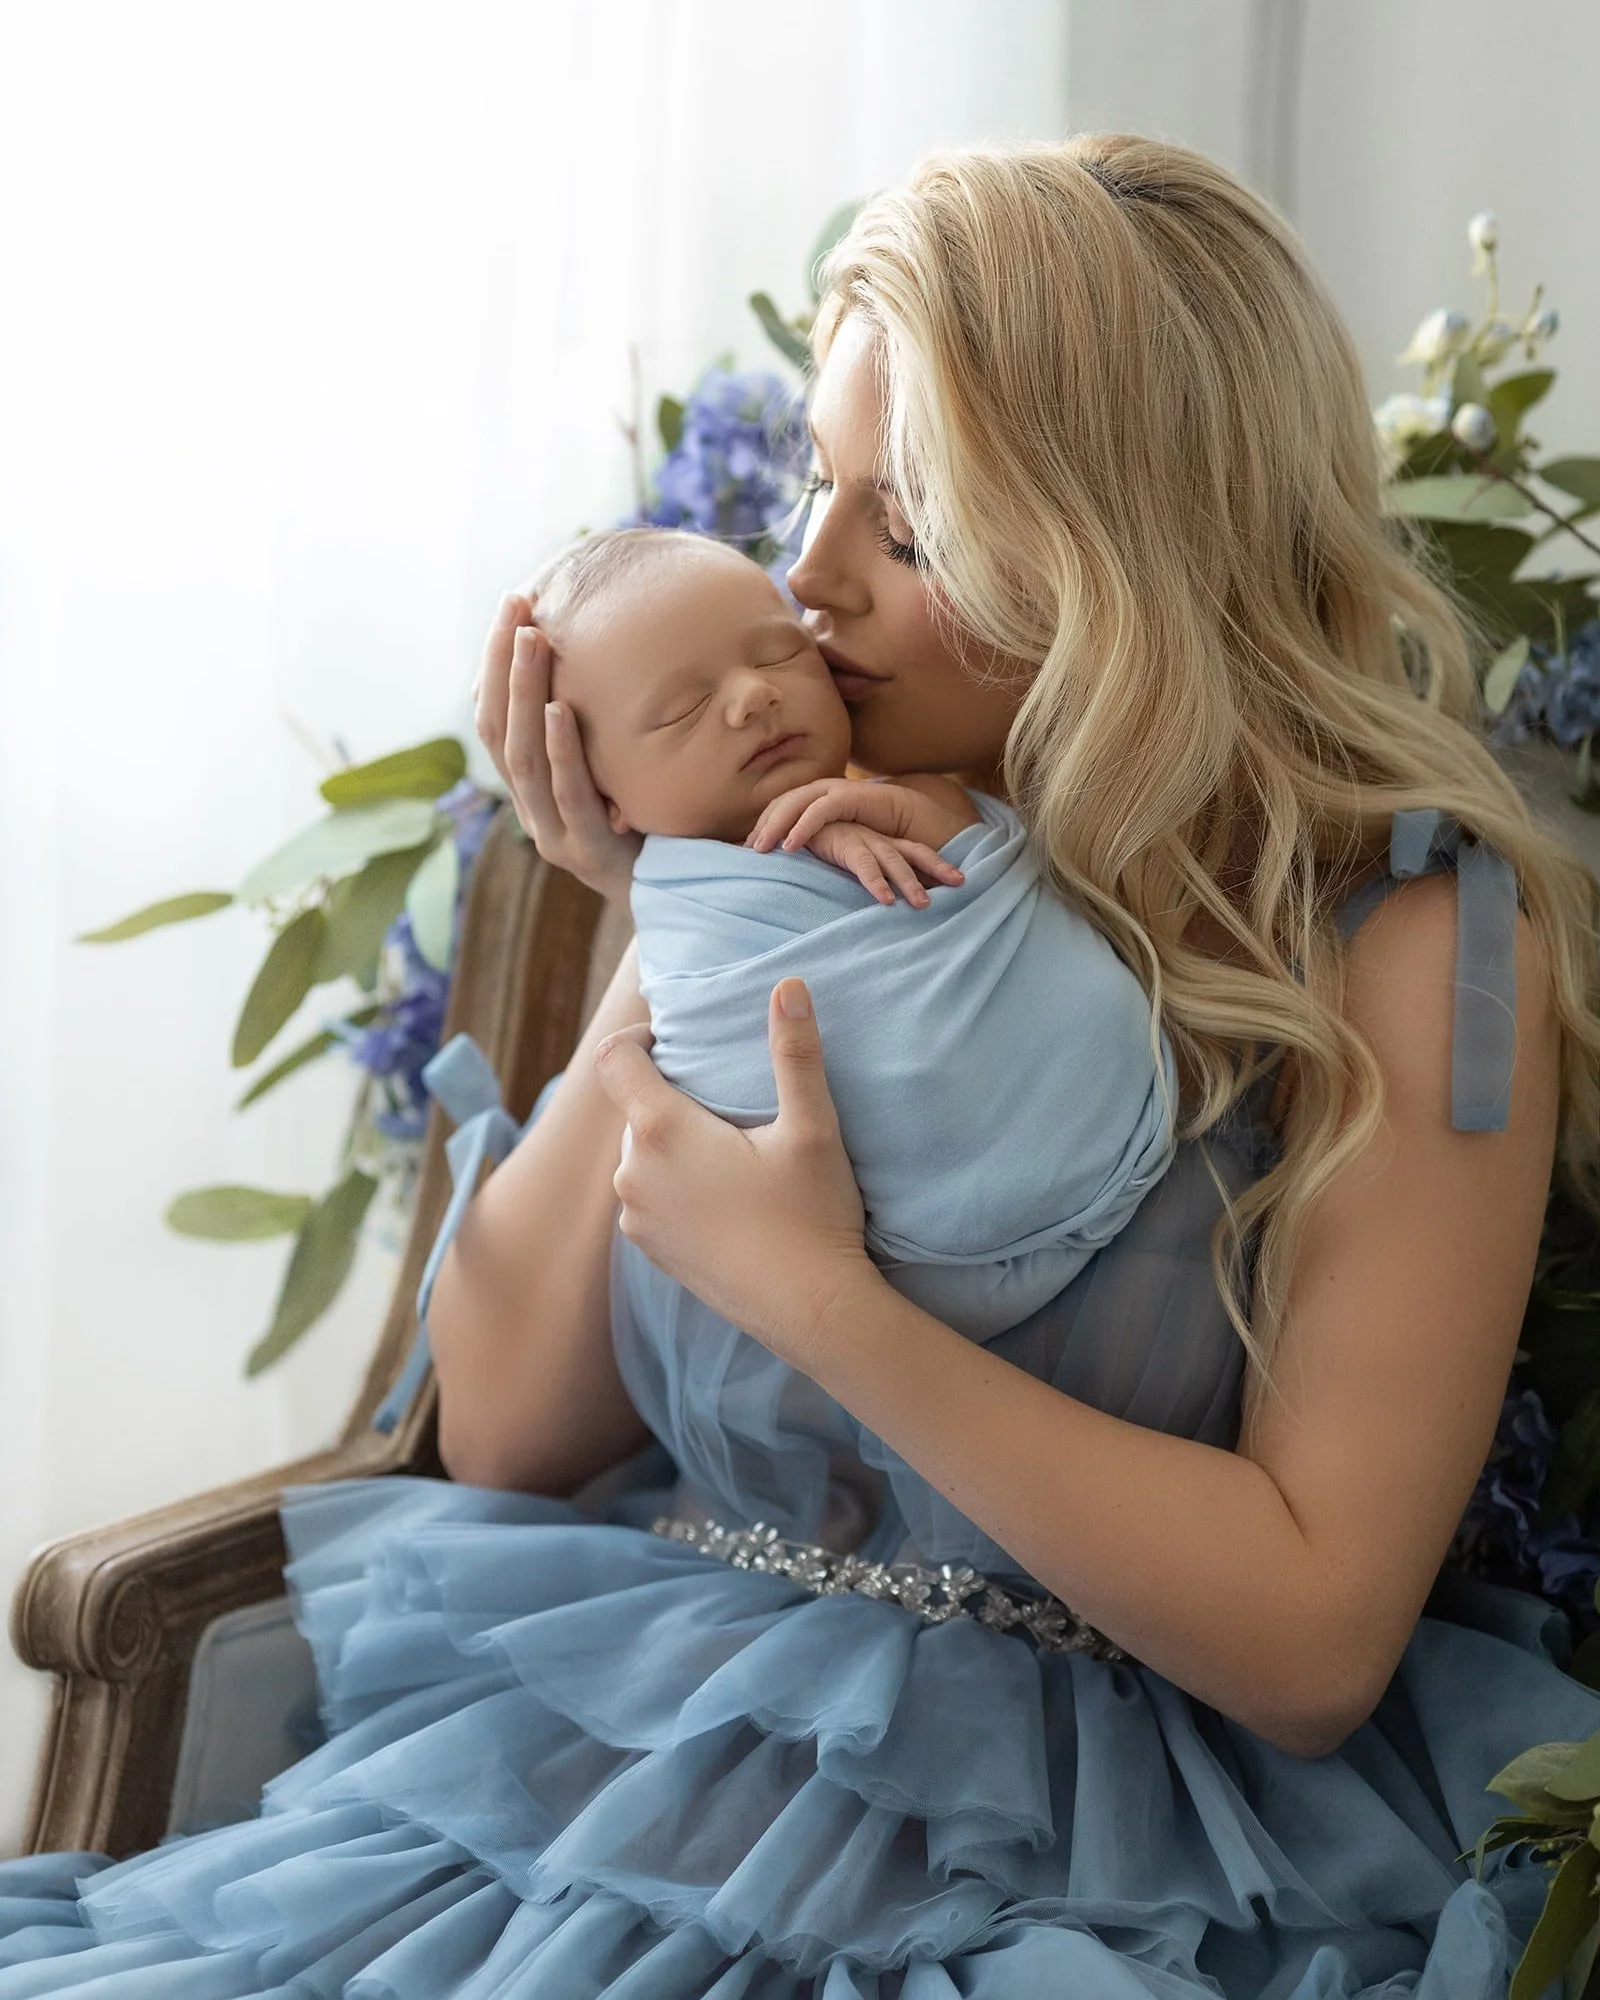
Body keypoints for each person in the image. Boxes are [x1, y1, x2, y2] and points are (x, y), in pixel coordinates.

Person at [3, 132, 1600, 2000]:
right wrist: (660, 913)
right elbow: (511, 1433)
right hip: (626, 1764)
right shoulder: (783, 850)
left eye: (905, 529)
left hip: (1102, 1865)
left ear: (1125, 565)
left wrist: (824, 1304)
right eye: (811, 491)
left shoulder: (1411, 945)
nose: (810, 583)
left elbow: (1314, 1639)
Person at [531, 523, 1177, 1341]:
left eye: (779, 655)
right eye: (684, 709)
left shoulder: (919, 791)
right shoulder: (687, 923)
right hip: (907, 1274)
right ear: (601, 796)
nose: (753, 696)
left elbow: (994, 891)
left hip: (1117, 1165)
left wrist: (942, 827)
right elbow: (720, 1067)